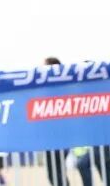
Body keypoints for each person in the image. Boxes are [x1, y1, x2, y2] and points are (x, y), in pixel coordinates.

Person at [43, 57, 72, 186]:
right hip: (53, 138)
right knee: (56, 173)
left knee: (55, 173)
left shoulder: (58, 89)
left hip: (58, 138)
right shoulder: (51, 89)